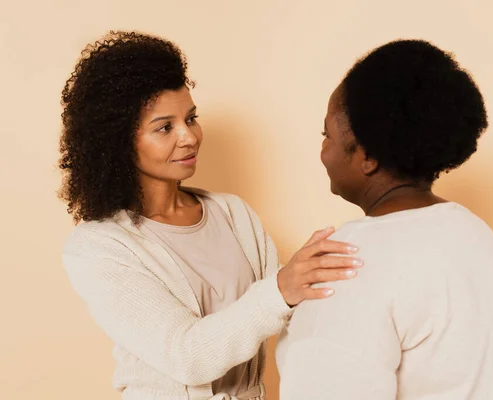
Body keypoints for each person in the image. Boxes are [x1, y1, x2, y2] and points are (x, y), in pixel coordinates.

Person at [59, 31, 363, 400]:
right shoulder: (99, 247)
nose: (189, 137)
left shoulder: (232, 213)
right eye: (165, 127)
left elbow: (289, 312)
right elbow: (188, 356)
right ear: (117, 141)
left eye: (191, 118)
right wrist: (282, 287)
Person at [276, 39, 493, 399]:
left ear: (367, 156)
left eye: (326, 135)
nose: (323, 150)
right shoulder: (475, 234)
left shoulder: (347, 263)